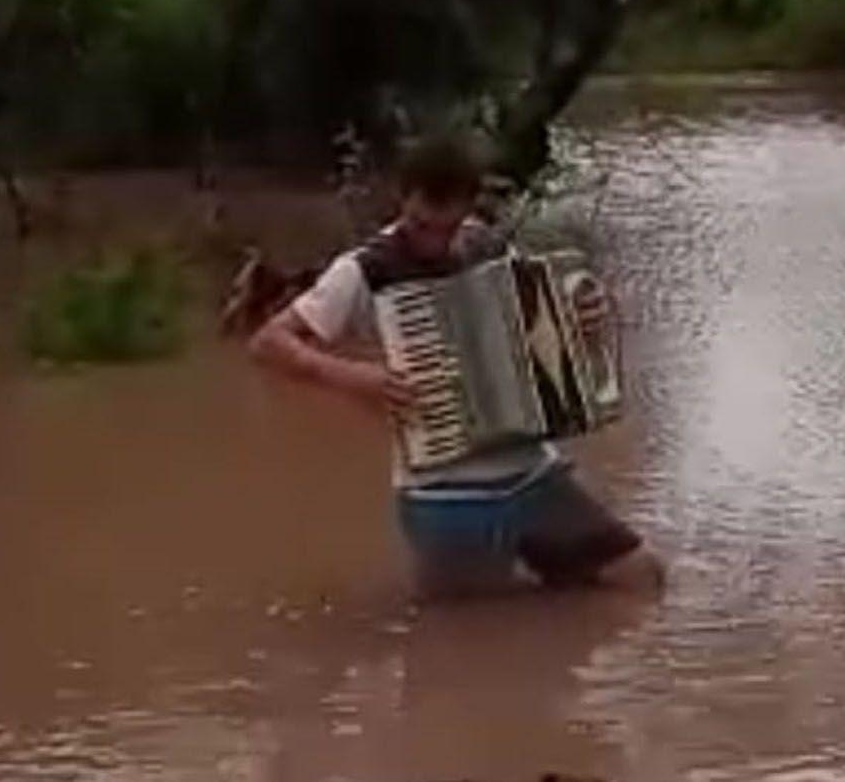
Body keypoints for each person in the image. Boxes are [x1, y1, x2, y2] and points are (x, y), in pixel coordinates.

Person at [248, 135, 663, 597]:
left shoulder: (491, 251)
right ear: (402, 199)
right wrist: (355, 377)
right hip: (445, 495)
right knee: (468, 638)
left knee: (640, 577)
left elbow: (546, 342)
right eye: (422, 225)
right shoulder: (365, 270)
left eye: (447, 228)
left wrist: (584, 324)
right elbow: (269, 343)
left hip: (533, 475)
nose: (433, 243)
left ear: (468, 208)